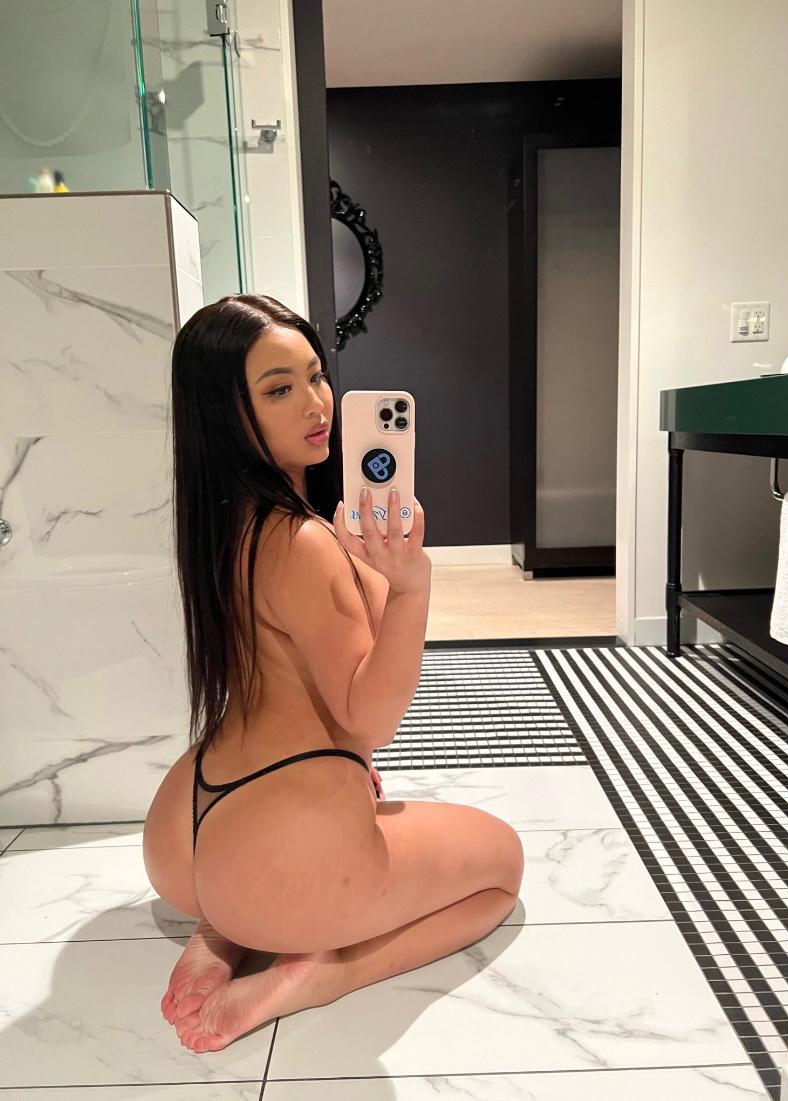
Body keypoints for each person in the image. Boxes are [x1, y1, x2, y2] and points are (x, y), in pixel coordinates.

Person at [142, 294, 524, 1053]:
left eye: (316, 376)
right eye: (279, 389)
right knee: (500, 869)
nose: (316, 404)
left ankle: (222, 932)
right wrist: (410, 587)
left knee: (309, 849)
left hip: (185, 831)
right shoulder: (302, 541)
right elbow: (368, 718)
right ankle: (319, 972)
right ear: (227, 413)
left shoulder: (223, 522)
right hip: (276, 855)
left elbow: (297, 680)